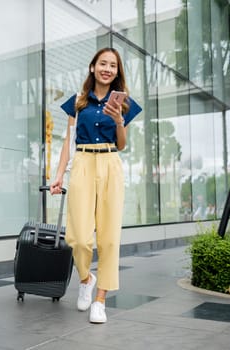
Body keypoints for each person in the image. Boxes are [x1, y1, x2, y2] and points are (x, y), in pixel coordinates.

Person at [49, 47, 142, 324]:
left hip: (110, 163)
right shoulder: (77, 102)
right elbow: (68, 140)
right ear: (92, 67)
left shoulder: (124, 104)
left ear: (117, 72)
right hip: (83, 163)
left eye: (113, 65)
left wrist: (118, 121)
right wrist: (58, 175)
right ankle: (87, 279)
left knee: (109, 238)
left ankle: (100, 301)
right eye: (103, 63)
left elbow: (122, 145)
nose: (107, 69)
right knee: (77, 237)